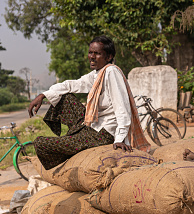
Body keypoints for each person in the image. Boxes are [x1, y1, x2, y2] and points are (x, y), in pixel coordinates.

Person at [28, 36, 150, 170]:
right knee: (64, 97)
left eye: (97, 53)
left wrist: (119, 139)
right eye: (90, 52)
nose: (92, 56)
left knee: (40, 143)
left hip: (103, 134)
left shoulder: (111, 72)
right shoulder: (97, 74)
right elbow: (72, 84)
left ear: (108, 57)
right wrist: (43, 95)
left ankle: (72, 145)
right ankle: (74, 136)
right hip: (92, 126)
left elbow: (122, 108)